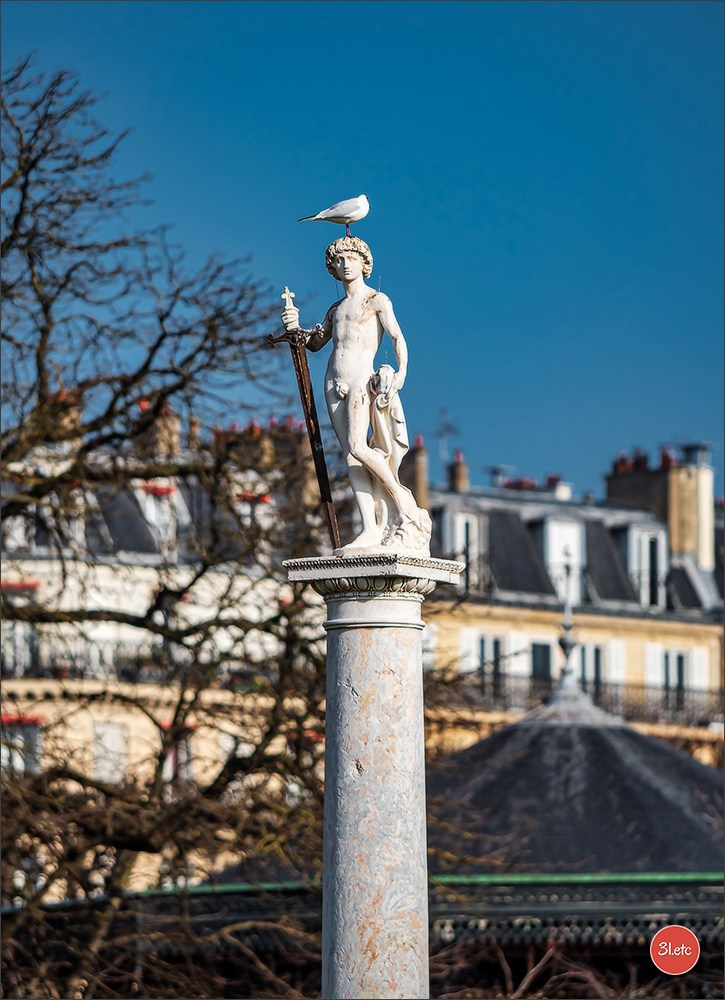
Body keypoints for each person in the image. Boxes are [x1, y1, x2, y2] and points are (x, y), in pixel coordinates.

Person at [281, 236, 431, 555]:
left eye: (351, 257)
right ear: (332, 269)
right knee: (350, 455)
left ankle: (404, 505)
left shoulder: (377, 300)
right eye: (339, 260)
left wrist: (400, 374)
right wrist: (296, 327)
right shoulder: (335, 309)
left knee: (358, 447)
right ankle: (370, 527)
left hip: (361, 379)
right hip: (333, 380)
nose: (345, 263)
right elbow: (315, 343)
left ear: (364, 263)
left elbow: (398, 338)